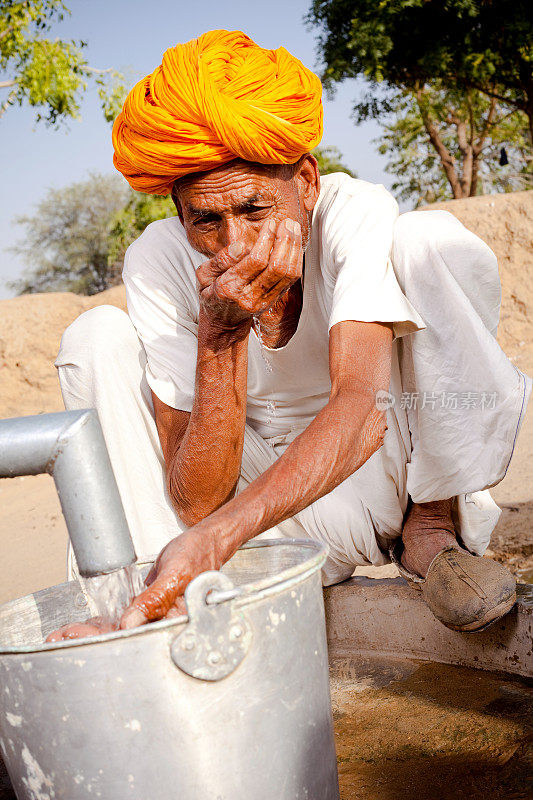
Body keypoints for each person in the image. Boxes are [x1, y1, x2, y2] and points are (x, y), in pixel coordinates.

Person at [52, 30, 530, 640]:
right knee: (96, 336)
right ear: (178, 213)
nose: (235, 246)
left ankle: (432, 531)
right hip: (246, 534)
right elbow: (196, 502)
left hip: (374, 487)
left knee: (429, 243)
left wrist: (214, 536)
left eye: (254, 210)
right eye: (206, 220)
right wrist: (220, 334)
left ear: (305, 183)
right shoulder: (159, 261)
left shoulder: (352, 212)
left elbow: (361, 411)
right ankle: (142, 604)